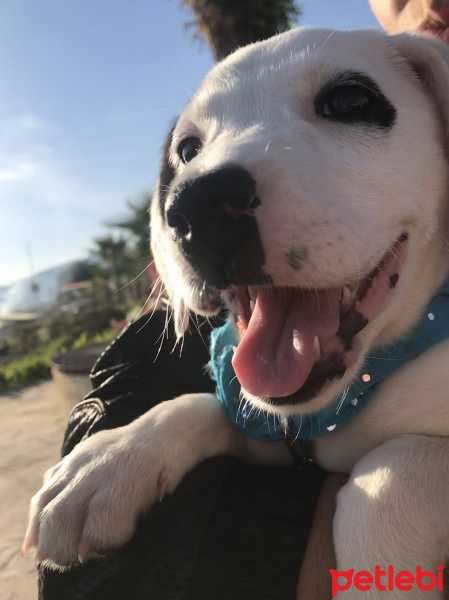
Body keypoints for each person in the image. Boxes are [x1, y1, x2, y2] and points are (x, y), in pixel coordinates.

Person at [37, 3, 449, 599]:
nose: (204, 195)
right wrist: (186, 424)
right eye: (189, 151)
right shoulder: (202, 367)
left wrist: (396, 503)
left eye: (345, 104)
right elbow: (90, 581)